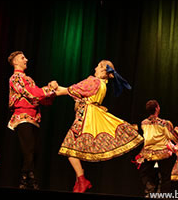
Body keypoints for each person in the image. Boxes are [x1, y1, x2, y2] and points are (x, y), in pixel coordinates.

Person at [56, 60, 143, 193]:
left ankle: (82, 179)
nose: (95, 68)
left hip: (86, 117)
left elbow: (72, 89)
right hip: (88, 114)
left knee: (69, 148)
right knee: (73, 149)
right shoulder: (102, 84)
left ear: (103, 70)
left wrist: (52, 90)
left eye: (98, 66)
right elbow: (75, 92)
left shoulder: (95, 81)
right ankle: (80, 180)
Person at [7, 51, 57, 189]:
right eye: (23, 58)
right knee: (28, 150)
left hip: (34, 118)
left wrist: (51, 91)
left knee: (34, 151)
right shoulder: (15, 78)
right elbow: (29, 93)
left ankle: (28, 178)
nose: (26, 60)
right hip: (22, 117)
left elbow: (40, 98)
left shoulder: (29, 79)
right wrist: (49, 90)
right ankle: (27, 179)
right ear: (16, 62)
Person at [134, 100, 177, 197]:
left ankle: (150, 189)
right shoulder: (164, 123)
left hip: (148, 154)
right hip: (163, 153)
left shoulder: (143, 123)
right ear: (157, 108)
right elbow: (170, 136)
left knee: (147, 174)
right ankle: (162, 195)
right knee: (165, 177)